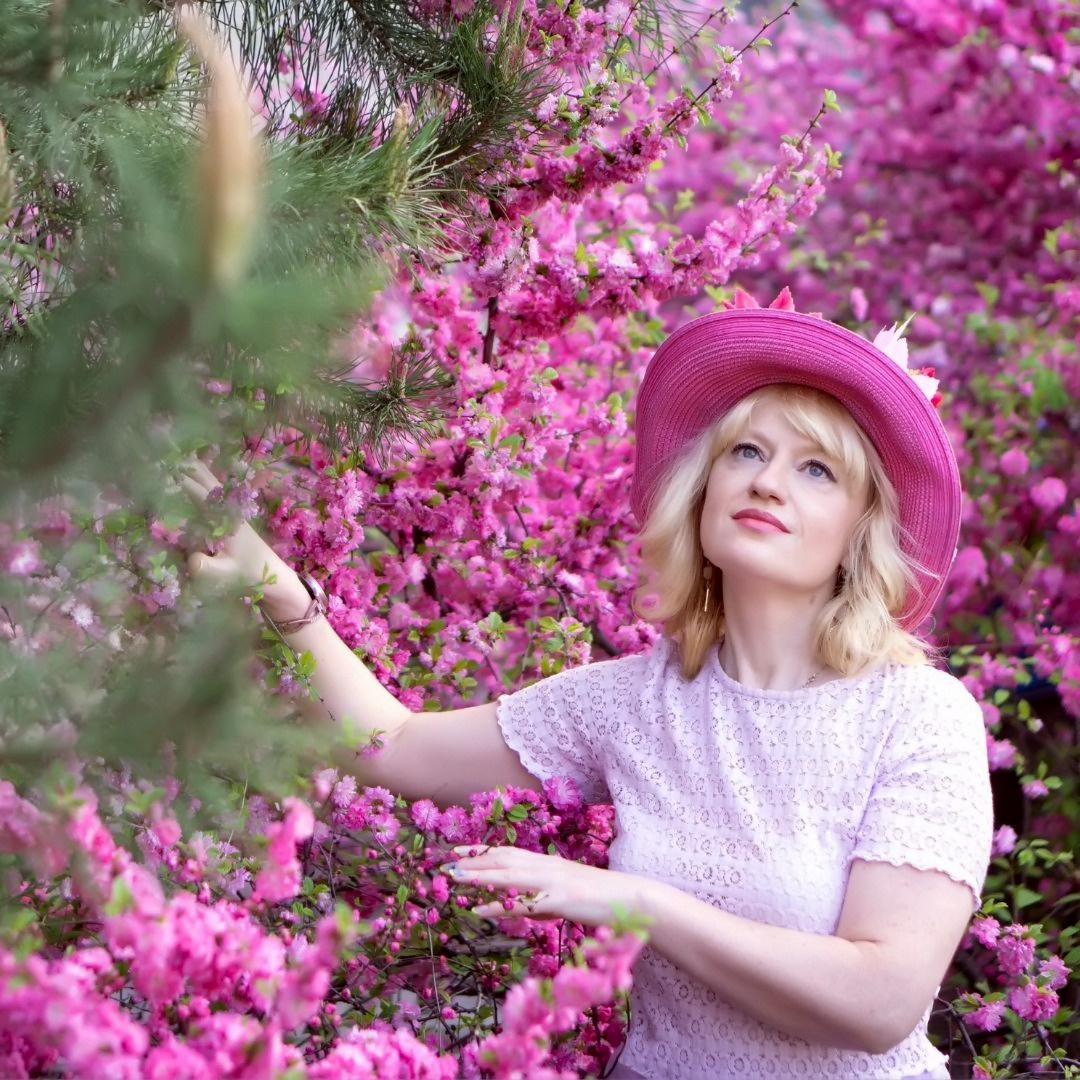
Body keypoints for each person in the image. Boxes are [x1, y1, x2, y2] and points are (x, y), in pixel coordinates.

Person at [184, 300, 994, 1079]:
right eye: (747, 452)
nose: (769, 482)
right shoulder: (634, 703)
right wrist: (282, 597)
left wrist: (635, 899)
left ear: (861, 532)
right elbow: (397, 747)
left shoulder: (918, 717)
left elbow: (880, 999)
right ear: (704, 489)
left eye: (815, 469)